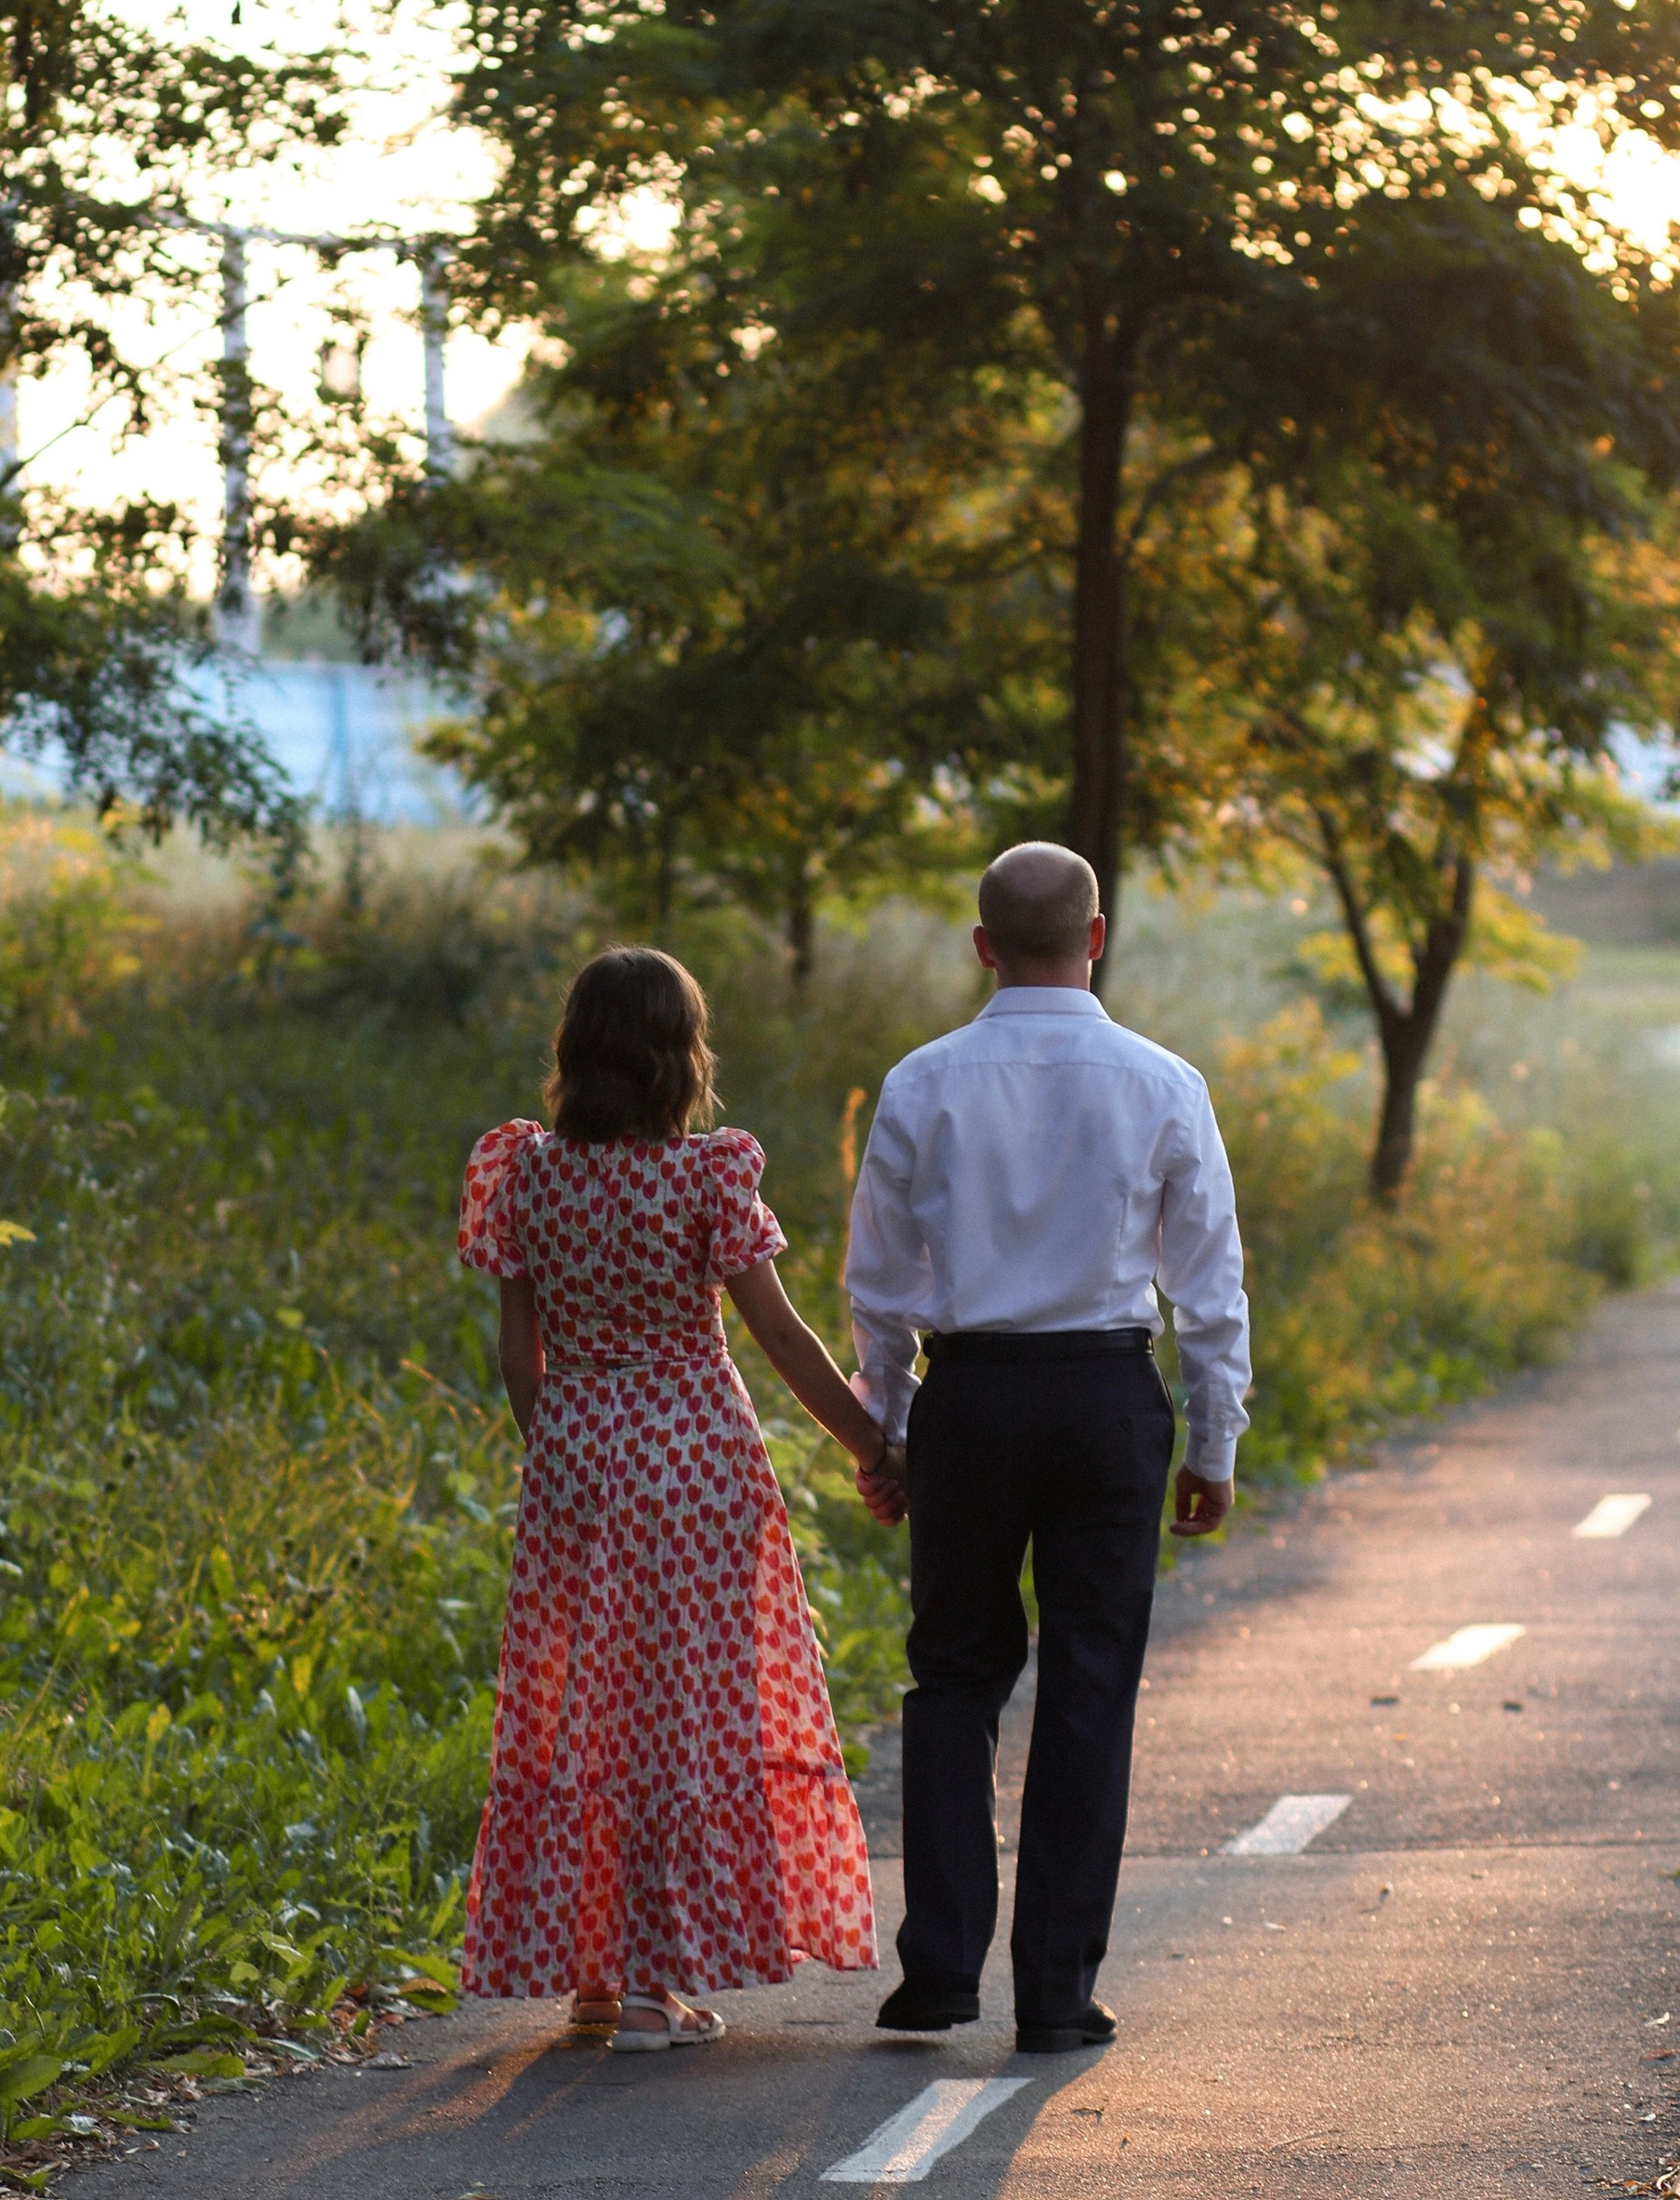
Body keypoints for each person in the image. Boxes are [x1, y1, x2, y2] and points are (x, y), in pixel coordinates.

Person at [845, 843, 1250, 2051]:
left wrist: (893, 1421)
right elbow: (1209, 1284)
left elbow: (878, 1286)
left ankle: (938, 1969)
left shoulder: (922, 1083)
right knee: (1088, 1681)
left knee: (954, 1670)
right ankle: (1057, 1989)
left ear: (981, 945)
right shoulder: (1163, 1082)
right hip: (1103, 1400)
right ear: (1097, 934)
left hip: (970, 1397)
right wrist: (1213, 1440)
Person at [457, 947, 885, 2049]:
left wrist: (562, 1451)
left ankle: (594, 1977)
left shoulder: (527, 1174)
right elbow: (778, 1334)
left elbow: (519, 1353)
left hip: (578, 1461)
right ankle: (655, 1984)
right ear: (680, 1058)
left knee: (588, 1712)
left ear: (575, 1051)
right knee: (685, 1718)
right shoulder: (705, 1176)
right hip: (697, 1462)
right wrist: (876, 1442)